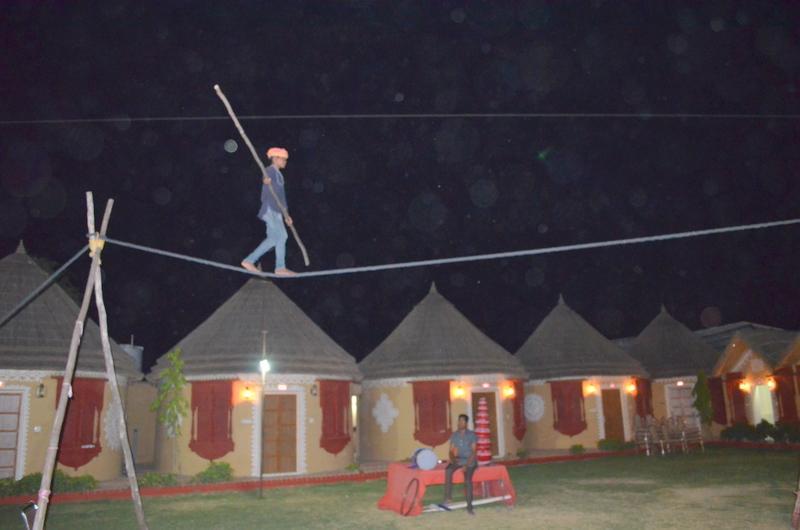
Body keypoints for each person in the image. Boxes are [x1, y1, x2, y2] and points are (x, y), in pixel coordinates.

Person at [241, 147, 295, 276]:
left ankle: (249, 260)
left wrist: (286, 215)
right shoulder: (269, 170)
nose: (285, 162)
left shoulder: (279, 174)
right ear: (275, 159)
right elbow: (265, 183)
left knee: (273, 239)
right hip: (270, 209)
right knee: (282, 236)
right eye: (283, 159)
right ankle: (280, 267)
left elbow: (282, 198)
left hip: (276, 211)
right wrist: (266, 182)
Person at [444, 413, 478, 515]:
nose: (459, 423)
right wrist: (453, 460)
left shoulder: (472, 434)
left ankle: (469, 507)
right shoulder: (454, 435)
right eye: (459, 421)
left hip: (470, 461)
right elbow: (450, 451)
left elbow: (474, 452)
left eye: (462, 421)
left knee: (467, 481)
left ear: (466, 423)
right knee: (448, 470)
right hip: (458, 459)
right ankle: (448, 498)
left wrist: (466, 465)